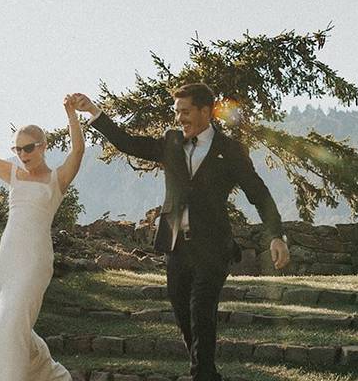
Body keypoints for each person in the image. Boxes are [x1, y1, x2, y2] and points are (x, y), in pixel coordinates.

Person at [71, 83, 290, 381]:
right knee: (183, 316)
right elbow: (125, 141)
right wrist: (93, 111)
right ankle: (207, 372)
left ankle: (202, 375)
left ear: (206, 111)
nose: (180, 118)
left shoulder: (230, 149)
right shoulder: (170, 141)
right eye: (177, 112)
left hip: (213, 247)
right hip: (176, 246)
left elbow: (259, 194)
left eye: (185, 112)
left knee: (201, 310)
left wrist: (276, 235)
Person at [0, 95, 85, 381]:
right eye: (17, 148)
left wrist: (71, 115)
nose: (22, 154)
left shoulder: (57, 179)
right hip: (9, 254)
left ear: (43, 146)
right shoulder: (13, 174)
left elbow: (78, 150)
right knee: (5, 318)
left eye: (28, 148)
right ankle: (52, 375)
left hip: (35, 258)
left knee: (12, 320)